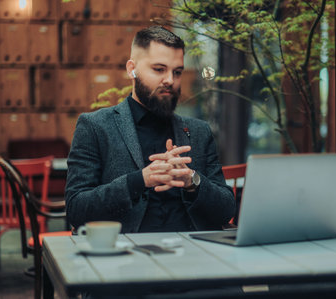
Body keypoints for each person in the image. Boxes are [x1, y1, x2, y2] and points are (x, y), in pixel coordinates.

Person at [65, 26, 235, 233]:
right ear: (132, 69)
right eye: (159, 69)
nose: (170, 80)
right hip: (125, 254)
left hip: (192, 253)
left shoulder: (199, 131)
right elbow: (76, 209)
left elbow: (227, 209)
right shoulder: (95, 126)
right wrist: (138, 181)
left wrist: (192, 180)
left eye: (177, 72)